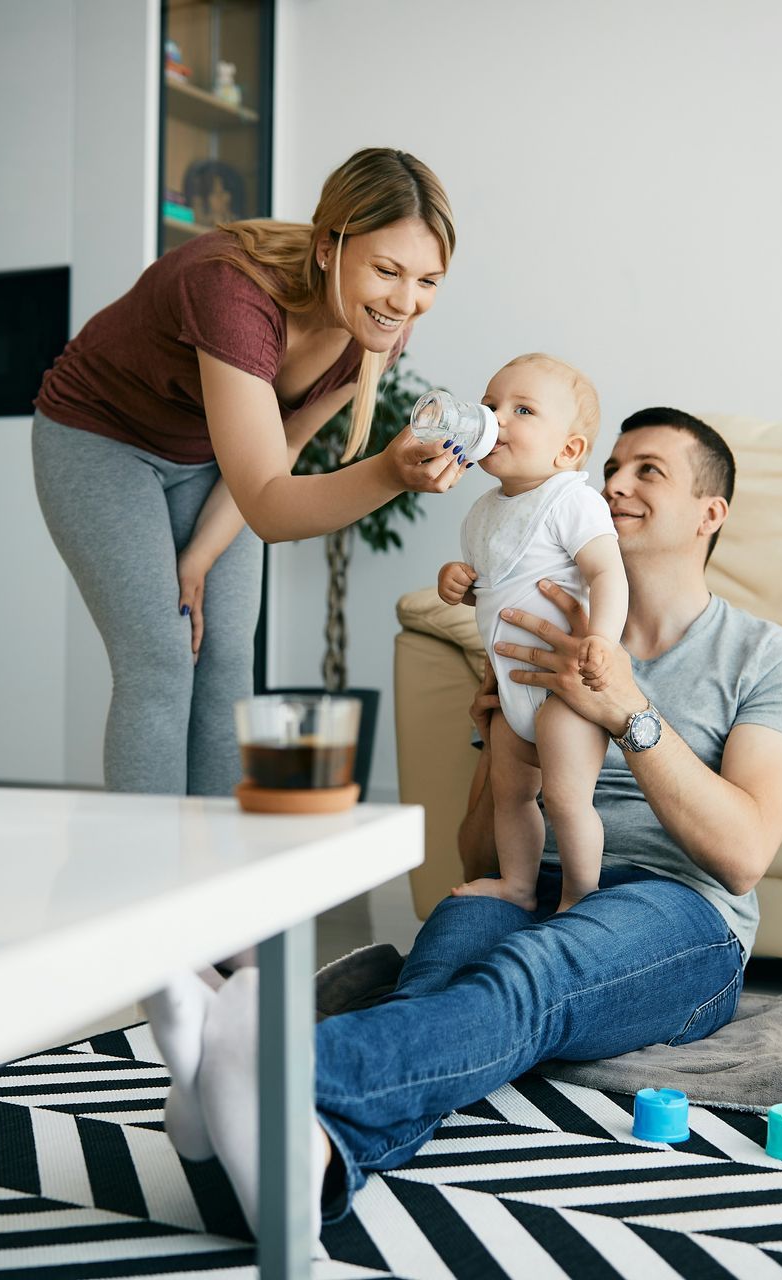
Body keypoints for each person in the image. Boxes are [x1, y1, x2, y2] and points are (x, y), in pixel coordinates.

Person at [146, 407, 782, 1236]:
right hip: (535, 875)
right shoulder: (535, 630)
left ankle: (270, 1071)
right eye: (613, 465)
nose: (616, 483)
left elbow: (744, 855)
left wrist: (628, 711)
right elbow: (476, 852)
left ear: (709, 513)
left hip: (681, 913)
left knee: (532, 972)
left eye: (649, 471)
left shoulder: (769, 657)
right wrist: (504, 736)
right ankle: (303, 1158)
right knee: (444, 971)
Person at [32, 148, 468, 796]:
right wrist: (390, 474)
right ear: (328, 248)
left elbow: (281, 447)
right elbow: (269, 503)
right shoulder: (233, 289)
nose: (406, 301)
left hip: (212, 457)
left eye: (428, 280)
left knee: (230, 659)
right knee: (160, 659)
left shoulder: (380, 329)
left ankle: (220, 874)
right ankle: (145, 875)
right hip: (102, 438)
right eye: (387, 270)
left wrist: (200, 556)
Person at [435, 353, 628, 912]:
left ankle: (577, 894)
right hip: (510, 684)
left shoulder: (572, 499)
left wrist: (604, 641)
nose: (498, 418)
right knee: (511, 796)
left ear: (567, 451)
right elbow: (492, 586)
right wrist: (458, 582)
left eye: (523, 409)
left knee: (568, 799)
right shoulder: (481, 513)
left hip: (565, 688)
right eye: (491, 404)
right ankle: (518, 885)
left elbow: (606, 572)